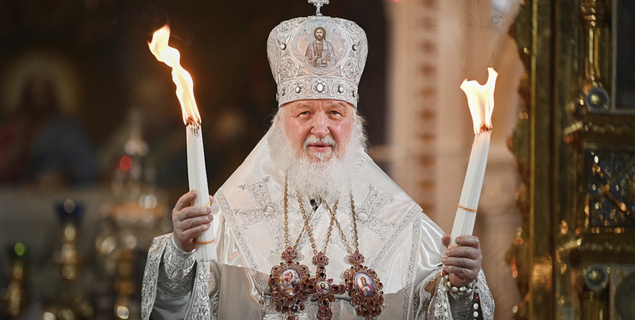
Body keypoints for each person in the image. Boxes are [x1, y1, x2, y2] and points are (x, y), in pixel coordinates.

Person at [142, 3, 494, 319]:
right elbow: (173, 309)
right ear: (280, 124)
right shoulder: (228, 217)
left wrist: (461, 285)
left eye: (336, 112)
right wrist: (180, 250)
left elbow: (443, 308)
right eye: (304, 112)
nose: (320, 128)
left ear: (355, 125)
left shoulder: (402, 223)